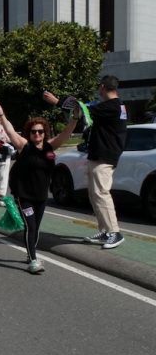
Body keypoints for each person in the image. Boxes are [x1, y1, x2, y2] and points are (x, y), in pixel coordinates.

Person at [0, 100, 80, 273]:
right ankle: (34, 260)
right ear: (29, 133)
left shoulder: (51, 146)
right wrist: (1, 113)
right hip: (24, 195)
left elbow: (67, 132)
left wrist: (75, 117)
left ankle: (30, 254)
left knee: (35, 228)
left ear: (44, 133)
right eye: (33, 131)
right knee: (31, 226)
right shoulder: (24, 146)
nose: (37, 134)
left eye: (40, 131)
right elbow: (10, 130)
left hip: (41, 196)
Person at [45, 77, 128, 249]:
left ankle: (114, 232)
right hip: (99, 155)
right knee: (94, 194)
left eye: (99, 87)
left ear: (103, 87)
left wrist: (57, 101)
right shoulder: (117, 106)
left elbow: (82, 107)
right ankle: (105, 230)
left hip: (104, 157)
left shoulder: (111, 106)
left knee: (101, 193)